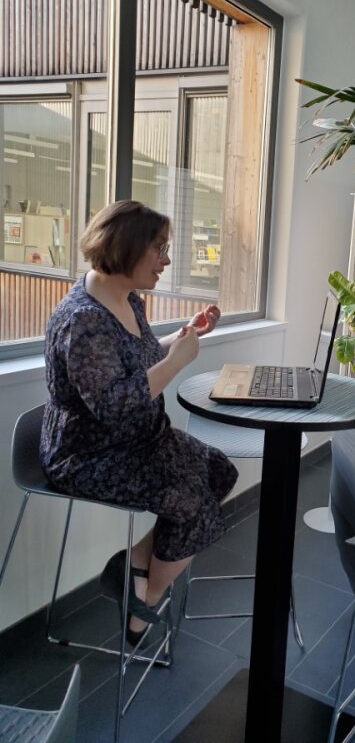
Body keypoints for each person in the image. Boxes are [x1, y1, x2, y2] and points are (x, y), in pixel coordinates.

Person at [40, 199, 238, 644]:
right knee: (192, 504)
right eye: (160, 249)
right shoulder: (82, 322)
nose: (166, 260)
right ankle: (144, 602)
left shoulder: (126, 298)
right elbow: (113, 406)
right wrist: (177, 363)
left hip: (140, 439)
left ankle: (133, 567)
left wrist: (182, 338)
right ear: (127, 249)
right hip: (90, 454)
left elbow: (138, 356)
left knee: (220, 472)